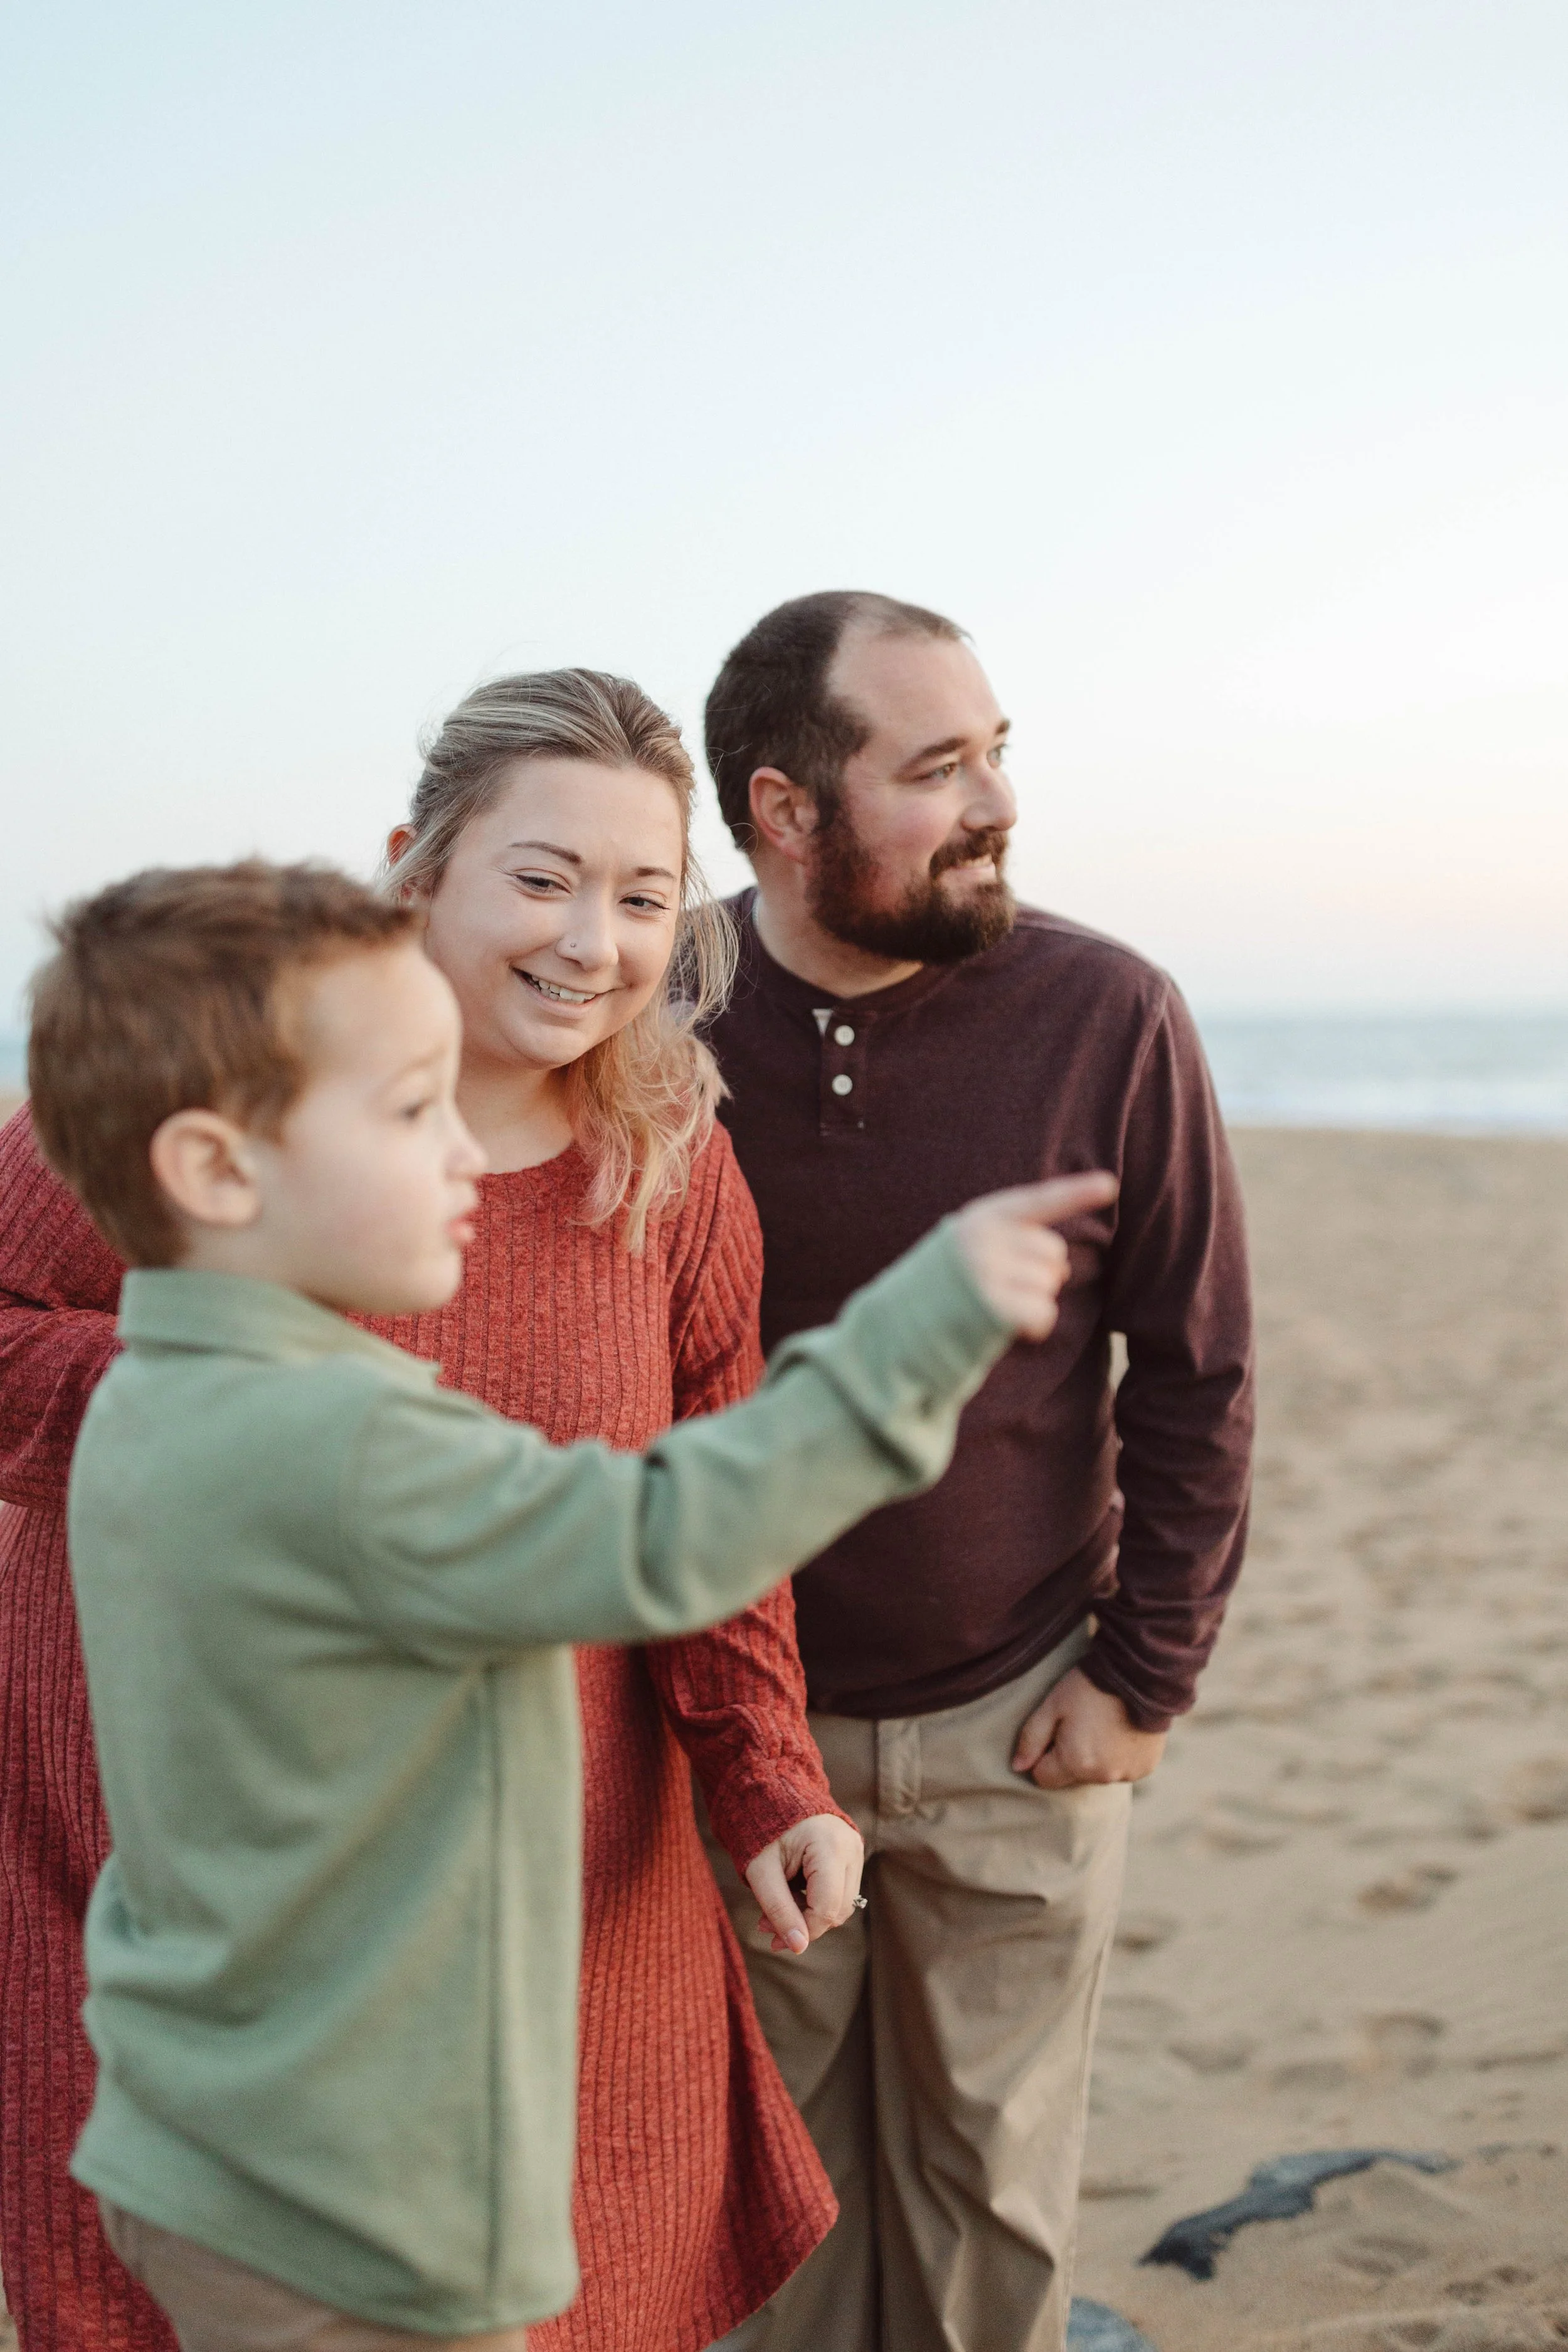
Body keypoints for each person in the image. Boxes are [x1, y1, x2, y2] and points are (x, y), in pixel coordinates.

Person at [28, 856, 1111, 2352]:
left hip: (196, 2154)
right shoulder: (340, 1450)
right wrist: (913, 1333)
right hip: (360, 2206)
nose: (468, 1156)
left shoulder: (151, 1403)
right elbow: (663, 1535)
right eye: (412, 1116)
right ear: (218, 1172)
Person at [697, 591, 1256, 2352]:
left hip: (1017, 1722)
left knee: (991, 2202)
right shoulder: (651, 1009)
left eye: (997, 748)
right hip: (729, 1733)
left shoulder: (1108, 1012)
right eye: (935, 765)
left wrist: (1141, 1670)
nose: (998, 797)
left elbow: (1194, 1365)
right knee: (755, 2207)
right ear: (786, 810)